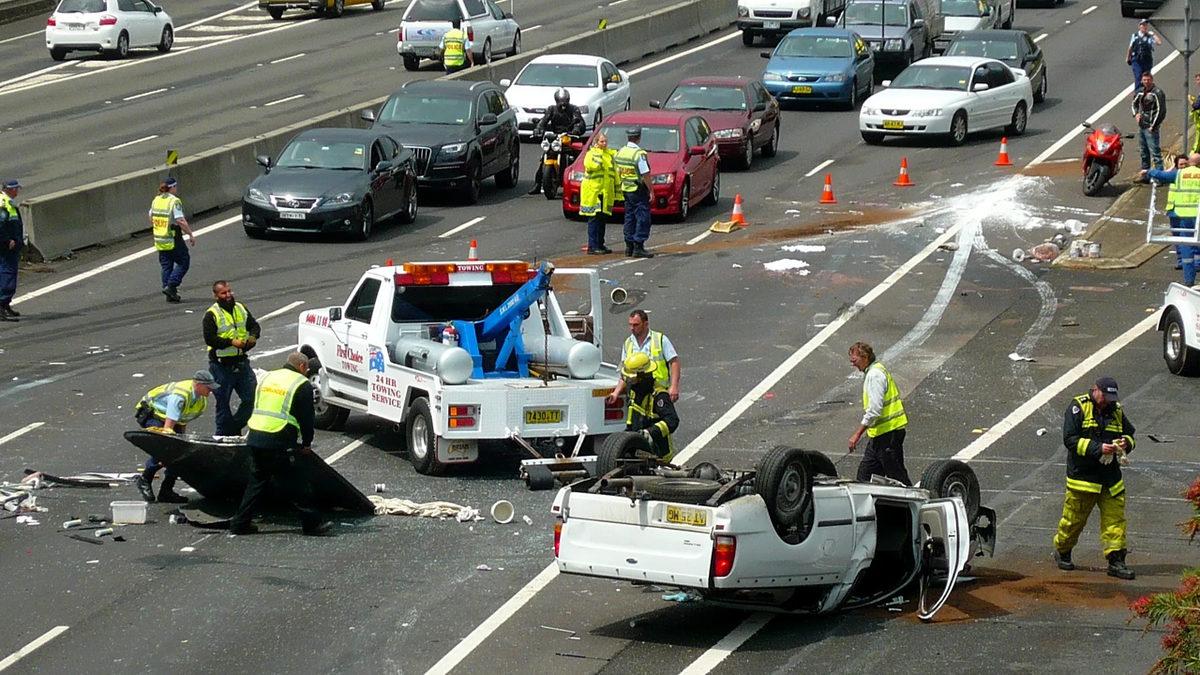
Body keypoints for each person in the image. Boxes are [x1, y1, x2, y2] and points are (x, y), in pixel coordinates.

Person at [229, 352, 331, 536]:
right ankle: (312, 524)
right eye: (306, 369)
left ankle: (240, 523)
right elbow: (307, 419)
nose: (307, 372)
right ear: (301, 367)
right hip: (277, 436)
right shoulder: (300, 384)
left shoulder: (268, 377)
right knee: (296, 482)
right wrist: (307, 443)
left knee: (257, 481)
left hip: (255, 434)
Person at [1052, 377, 1136, 580]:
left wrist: (1126, 444)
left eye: (1111, 398)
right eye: (1105, 397)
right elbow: (1070, 440)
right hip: (1084, 479)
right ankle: (1063, 550)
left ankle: (1116, 561)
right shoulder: (1078, 407)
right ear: (1095, 390)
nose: (1107, 401)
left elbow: (1130, 434)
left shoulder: (1116, 410)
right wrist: (1097, 448)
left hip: (1110, 479)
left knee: (1115, 522)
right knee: (1073, 521)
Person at [133, 370, 219, 504]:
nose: (210, 391)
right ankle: (145, 479)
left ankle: (166, 491)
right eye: (208, 387)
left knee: (180, 453)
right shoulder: (180, 395)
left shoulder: (201, 401)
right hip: (152, 414)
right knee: (164, 449)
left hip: (172, 419)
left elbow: (182, 420)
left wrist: (182, 442)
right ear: (197, 385)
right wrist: (169, 446)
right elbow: (168, 427)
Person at [847, 341, 911, 485]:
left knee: (898, 477)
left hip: (889, 435)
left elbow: (874, 410)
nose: (853, 364)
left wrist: (857, 435)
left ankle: (918, 504)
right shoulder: (873, 371)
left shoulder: (875, 375)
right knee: (865, 477)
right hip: (879, 436)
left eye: (854, 360)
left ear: (865, 357)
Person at [203, 280, 261, 436]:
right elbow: (210, 339)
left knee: (252, 399)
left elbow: (254, 326)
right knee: (222, 404)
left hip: (241, 363)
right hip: (221, 367)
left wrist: (253, 337)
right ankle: (221, 436)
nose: (228, 295)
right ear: (216, 296)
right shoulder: (211, 315)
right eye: (223, 293)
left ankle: (234, 428)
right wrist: (230, 342)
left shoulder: (240, 308)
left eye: (229, 291)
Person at [1144, 154, 1200, 284]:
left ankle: (1189, 280)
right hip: (1198, 215)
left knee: (1186, 247)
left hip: (1184, 216)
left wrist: (1149, 171)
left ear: (1189, 162)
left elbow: (1161, 175)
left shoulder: (1180, 174)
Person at [607, 309, 681, 403]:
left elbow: (674, 362)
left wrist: (674, 386)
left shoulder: (660, 339)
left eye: (636, 325)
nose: (632, 328)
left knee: (669, 417)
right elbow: (625, 373)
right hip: (636, 394)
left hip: (657, 392)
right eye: (630, 324)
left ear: (646, 324)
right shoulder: (628, 343)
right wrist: (616, 393)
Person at [617, 352, 679, 460]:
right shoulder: (634, 391)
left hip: (659, 456)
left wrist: (649, 433)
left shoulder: (659, 396)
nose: (629, 382)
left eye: (631, 379)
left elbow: (672, 420)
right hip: (638, 451)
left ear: (642, 376)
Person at [528, 88, 585, 195]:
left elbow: (579, 120)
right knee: (545, 156)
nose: (563, 103)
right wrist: (538, 128)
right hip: (555, 137)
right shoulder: (551, 109)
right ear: (556, 100)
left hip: (569, 136)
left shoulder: (574, 109)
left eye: (565, 100)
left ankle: (578, 182)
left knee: (576, 156)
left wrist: (577, 128)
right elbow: (544, 119)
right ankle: (537, 184)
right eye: (560, 100)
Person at [150, 177, 195, 303]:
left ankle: (170, 293)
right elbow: (180, 220)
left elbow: (150, 216)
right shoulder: (174, 201)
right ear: (173, 187)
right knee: (184, 261)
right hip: (173, 236)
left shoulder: (156, 200)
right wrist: (190, 234)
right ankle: (171, 286)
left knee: (166, 265)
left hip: (160, 237)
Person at [614, 127, 654, 258]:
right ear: (639, 137)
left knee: (629, 217)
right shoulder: (638, 154)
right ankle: (638, 246)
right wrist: (651, 191)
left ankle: (629, 246)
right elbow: (645, 174)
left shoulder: (621, 152)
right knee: (643, 217)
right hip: (638, 189)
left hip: (626, 188)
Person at [579, 131, 617, 254]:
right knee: (594, 219)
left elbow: (614, 174)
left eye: (605, 141)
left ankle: (600, 244)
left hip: (604, 192)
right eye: (601, 141)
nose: (604, 144)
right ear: (596, 142)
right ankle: (592, 246)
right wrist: (598, 161)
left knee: (602, 219)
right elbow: (589, 166)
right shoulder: (592, 154)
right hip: (593, 192)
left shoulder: (609, 155)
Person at [1132, 72, 1166, 176]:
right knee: (1143, 152)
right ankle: (1145, 174)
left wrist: (1153, 126)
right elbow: (1134, 103)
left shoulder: (1157, 93)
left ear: (1152, 80)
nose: (1146, 82)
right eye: (1144, 80)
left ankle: (1160, 176)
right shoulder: (1141, 92)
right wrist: (1136, 114)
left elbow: (1161, 111)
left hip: (1151, 127)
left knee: (1155, 152)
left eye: (1148, 80)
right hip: (1142, 126)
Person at [0, 179, 22, 322]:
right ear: (11, 189)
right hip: (6, 246)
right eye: (16, 189)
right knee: (7, 273)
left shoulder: (7, 201)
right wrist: (8, 240)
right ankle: (1, 304)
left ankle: (5, 304)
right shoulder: (3, 203)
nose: (17, 192)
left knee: (9, 273)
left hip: (10, 246)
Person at [1126, 19, 1162, 90]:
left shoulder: (1149, 36)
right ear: (1139, 26)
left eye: (1146, 25)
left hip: (1147, 60)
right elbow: (1130, 47)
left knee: (1147, 78)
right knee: (1138, 76)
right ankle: (1137, 93)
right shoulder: (1135, 36)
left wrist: (1153, 34)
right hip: (1137, 60)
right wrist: (1128, 57)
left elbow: (1159, 42)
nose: (1144, 27)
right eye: (1143, 25)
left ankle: (1146, 92)